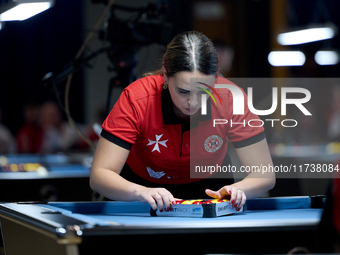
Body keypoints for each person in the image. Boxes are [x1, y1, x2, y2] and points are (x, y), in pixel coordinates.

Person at [90, 31, 275, 212]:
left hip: (211, 190)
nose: (193, 103)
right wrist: (140, 191)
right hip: (141, 190)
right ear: (165, 73)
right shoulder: (136, 98)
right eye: (183, 91)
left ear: (216, 78)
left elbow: (264, 174)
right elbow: (100, 175)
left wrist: (239, 190)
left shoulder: (231, 99)